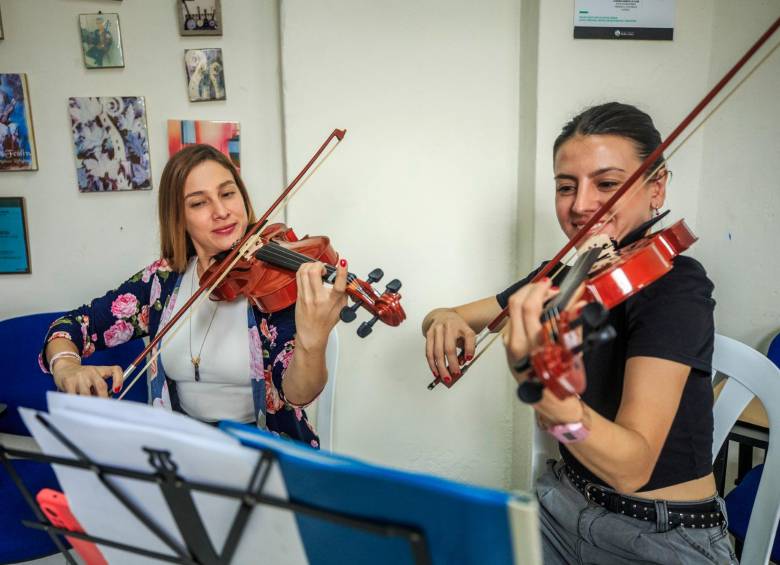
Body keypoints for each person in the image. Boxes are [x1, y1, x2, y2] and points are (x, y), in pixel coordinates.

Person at [422, 102, 737, 563]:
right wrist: (444, 320)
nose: (582, 205)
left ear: (657, 186)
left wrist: (538, 385)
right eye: (566, 187)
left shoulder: (676, 285)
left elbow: (632, 469)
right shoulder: (563, 277)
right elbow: (445, 314)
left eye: (608, 184)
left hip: (659, 535)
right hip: (561, 506)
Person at [40, 144, 346, 448]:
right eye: (199, 203)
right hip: (183, 449)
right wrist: (66, 365)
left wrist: (311, 342)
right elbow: (75, 324)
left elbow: (297, 393)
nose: (222, 211)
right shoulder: (161, 281)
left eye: (228, 194)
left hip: (265, 451)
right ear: (179, 217)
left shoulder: (272, 282)